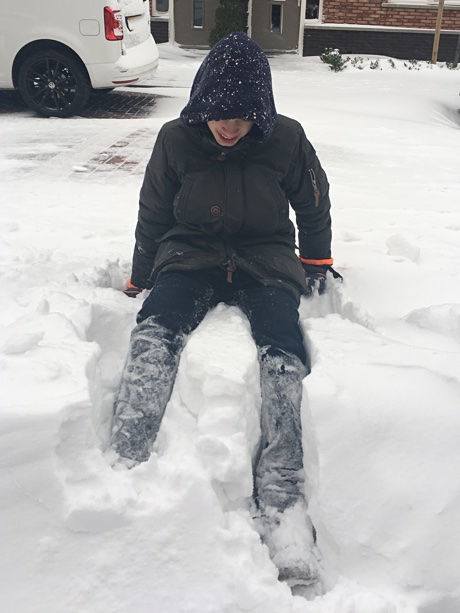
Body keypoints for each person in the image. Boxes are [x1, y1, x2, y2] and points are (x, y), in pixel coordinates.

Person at [111, 32, 339, 589]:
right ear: (200, 105)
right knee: (156, 330)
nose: (228, 127)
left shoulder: (285, 139)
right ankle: (125, 464)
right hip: (191, 254)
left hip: (264, 259)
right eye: (218, 115)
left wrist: (316, 260)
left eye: (240, 117)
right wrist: (142, 275)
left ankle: (283, 502)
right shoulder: (174, 139)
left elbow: (313, 200)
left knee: (282, 351)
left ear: (259, 112)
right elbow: (152, 209)